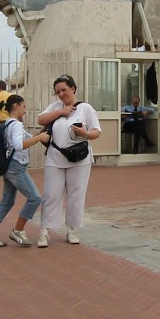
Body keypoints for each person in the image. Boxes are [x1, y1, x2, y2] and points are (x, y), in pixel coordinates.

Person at [37, 75, 102, 247]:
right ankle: (45, 230)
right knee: (51, 194)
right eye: (58, 91)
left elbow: (96, 132)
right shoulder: (56, 106)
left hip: (79, 159)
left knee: (76, 194)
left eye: (64, 90)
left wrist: (85, 134)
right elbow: (40, 120)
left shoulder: (85, 109)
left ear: (73, 89)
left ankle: (71, 229)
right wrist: (61, 112)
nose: (61, 94)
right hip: (55, 157)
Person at [0, 94, 49, 248]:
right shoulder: (16, 125)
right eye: (23, 107)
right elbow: (19, 145)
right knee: (35, 198)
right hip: (16, 167)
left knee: (7, 201)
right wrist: (39, 139)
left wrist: (39, 135)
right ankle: (18, 230)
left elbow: (22, 140)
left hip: (9, 166)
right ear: (16, 106)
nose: (25, 110)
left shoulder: (8, 124)